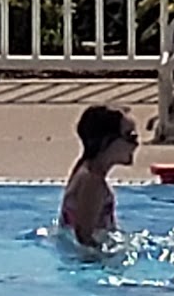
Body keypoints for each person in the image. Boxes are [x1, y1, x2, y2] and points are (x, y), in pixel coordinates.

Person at [59, 104, 138, 250]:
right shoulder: (93, 182)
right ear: (106, 141)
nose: (136, 144)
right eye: (130, 136)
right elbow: (84, 238)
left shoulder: (84, 167)